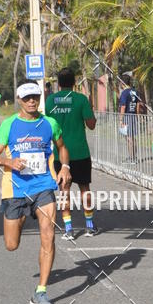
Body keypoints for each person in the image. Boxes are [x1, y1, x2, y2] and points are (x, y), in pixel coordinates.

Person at [0, 81, 72, 304]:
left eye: (35, 96)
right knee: (11, 245)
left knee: (49, 235)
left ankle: (41, 291)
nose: (32, 101)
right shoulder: (9, 125)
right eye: (27, 98)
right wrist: (8, 161)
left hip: (44, 186)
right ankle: (23, 216)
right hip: (15, 190)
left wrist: (65, 166)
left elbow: (62, 146)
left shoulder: (49, 123)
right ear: (19, 100)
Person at [45, 67, 97, 239]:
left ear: (58, 83)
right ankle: (89, 226)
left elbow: (48, 126)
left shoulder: (50, 100)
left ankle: (68, 229)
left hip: (60, 153)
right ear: (74, 83)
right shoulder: (81, 99)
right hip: (80, 151)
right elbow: (91, 124)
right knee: (85, 189)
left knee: (64, 190)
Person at [118, 73, 144, 162]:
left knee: (129, 138)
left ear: (122, 83)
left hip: (127, 117)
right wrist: (137, 116)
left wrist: (120, 120)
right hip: (133, 116)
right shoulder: (134, 91)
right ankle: (133, 157)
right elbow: (137, 104)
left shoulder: (124, 93)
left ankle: (132, 158)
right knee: (132, 138)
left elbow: (123, 106)